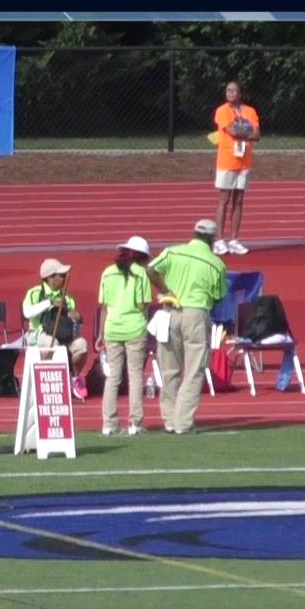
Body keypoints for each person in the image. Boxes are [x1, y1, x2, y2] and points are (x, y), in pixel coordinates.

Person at [146, 219, 228, 435]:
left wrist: (166, 289)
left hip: (169, 312)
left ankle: (170, 420)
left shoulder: (173, 252)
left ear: (193, 233)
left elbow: (151, 269)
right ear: (212, 238)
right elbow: (219, 296)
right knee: (194, 370)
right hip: (196, 314)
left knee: (169, 369)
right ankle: (183, 422)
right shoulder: (216, 263)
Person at [96, 236, 153, 436]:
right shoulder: (141, 274)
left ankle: (109, 423)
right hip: (135, 328)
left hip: (112, 329)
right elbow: (142, 304)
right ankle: (135, 423)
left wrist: (100, 334)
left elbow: (104, 306)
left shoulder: (107, 273)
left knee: (113, 377)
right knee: (135, 376)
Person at [23, 258, 90, 399]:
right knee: (52, 344)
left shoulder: (68, 298)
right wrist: (50, 303)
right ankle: (50, 382)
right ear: (50, 278)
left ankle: (74, 378)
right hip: (38, 334)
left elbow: (75, 326)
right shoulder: (35, 293)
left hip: (63, 334)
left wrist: (77, 318)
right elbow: (27, 312)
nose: (65, 278)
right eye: (61, 275)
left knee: (82, 345)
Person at [212, 81, 261, 255]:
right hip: (227, 160)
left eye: (234, 90)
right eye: (228, 90)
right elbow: (231, 131)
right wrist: (247, 131)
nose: (230, 93)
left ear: (240, 93)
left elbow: (257, 134)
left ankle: (234, 239)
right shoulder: (222, 111)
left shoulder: (250, 111)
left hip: (244, 161)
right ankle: (219, 240)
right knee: (224, 200)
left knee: (239, 200)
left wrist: (244, 132)